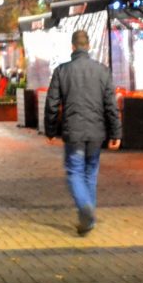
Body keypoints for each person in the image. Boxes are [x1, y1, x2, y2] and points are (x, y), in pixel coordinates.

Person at [44, 29, 122, 235]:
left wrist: (50, 131)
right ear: (88, 47)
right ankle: (89, 216)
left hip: (74, 133)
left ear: (72, 47)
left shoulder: (62, 71)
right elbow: (111, 106)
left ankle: (85, 209)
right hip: (96, 133)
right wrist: (116, 134)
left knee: (74, 171)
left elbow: (52, 104)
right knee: (90, 173)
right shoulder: (102, 71)